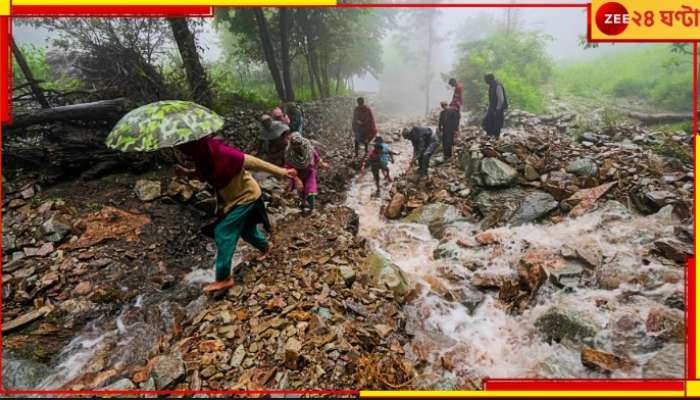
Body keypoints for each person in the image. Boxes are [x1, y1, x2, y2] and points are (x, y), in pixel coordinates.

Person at [175, 136, 298, 293]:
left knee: (224, 231)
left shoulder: (223, 153)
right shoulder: (204, 156)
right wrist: (186, 173)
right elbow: (204, 174)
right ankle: (266, 247)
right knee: (247, 231)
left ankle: (224, 278)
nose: (184, 151)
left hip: (246, 195)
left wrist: (282, 172)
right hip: (234, 200)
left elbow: (254, 162)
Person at [285, 132, 328, 214]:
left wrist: (322, 164)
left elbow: (317, 158)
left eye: (298, 144)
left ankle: (312, 209)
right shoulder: (289, 154)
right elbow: (288, 168)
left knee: (310, 190)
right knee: (299, 192)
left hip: (309, 172)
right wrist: (296, 179)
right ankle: (301, 208)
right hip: (297, 174)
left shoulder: (308, 149)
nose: (297, 146)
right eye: (295, 145)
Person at [482, 73, 508, 139]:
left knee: (497, 123)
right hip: (493, 107)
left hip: (498, 108)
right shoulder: (492, 85)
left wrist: (497, 109)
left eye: (486, 79)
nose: (485, 81)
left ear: (489, 79)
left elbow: (501, 99)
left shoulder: (497, 85)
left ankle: (496, 137)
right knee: (487, 121)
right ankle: (490, 136)